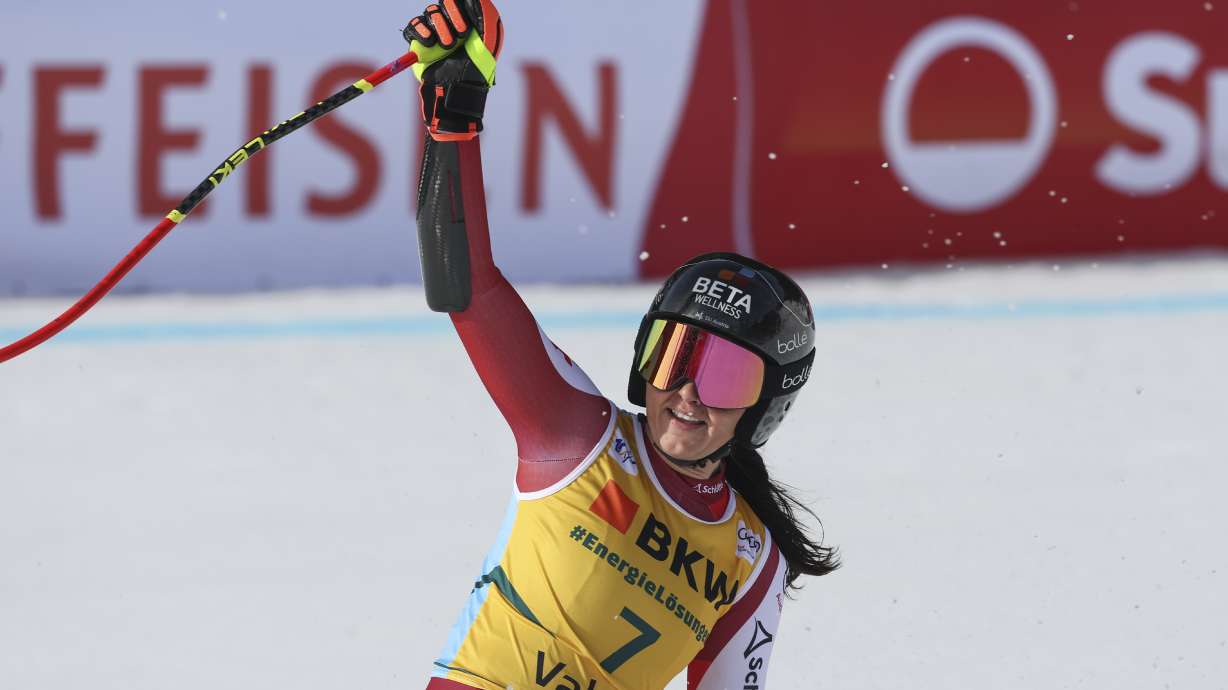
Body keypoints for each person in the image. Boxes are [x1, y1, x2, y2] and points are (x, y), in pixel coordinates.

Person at [404, 3, 839, 689]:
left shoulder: (753, 563)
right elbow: (467, 288)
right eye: (675, 357)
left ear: (765, 409)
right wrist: (454, 108)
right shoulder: (576, 436)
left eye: (725, 376)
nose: (688, 393)